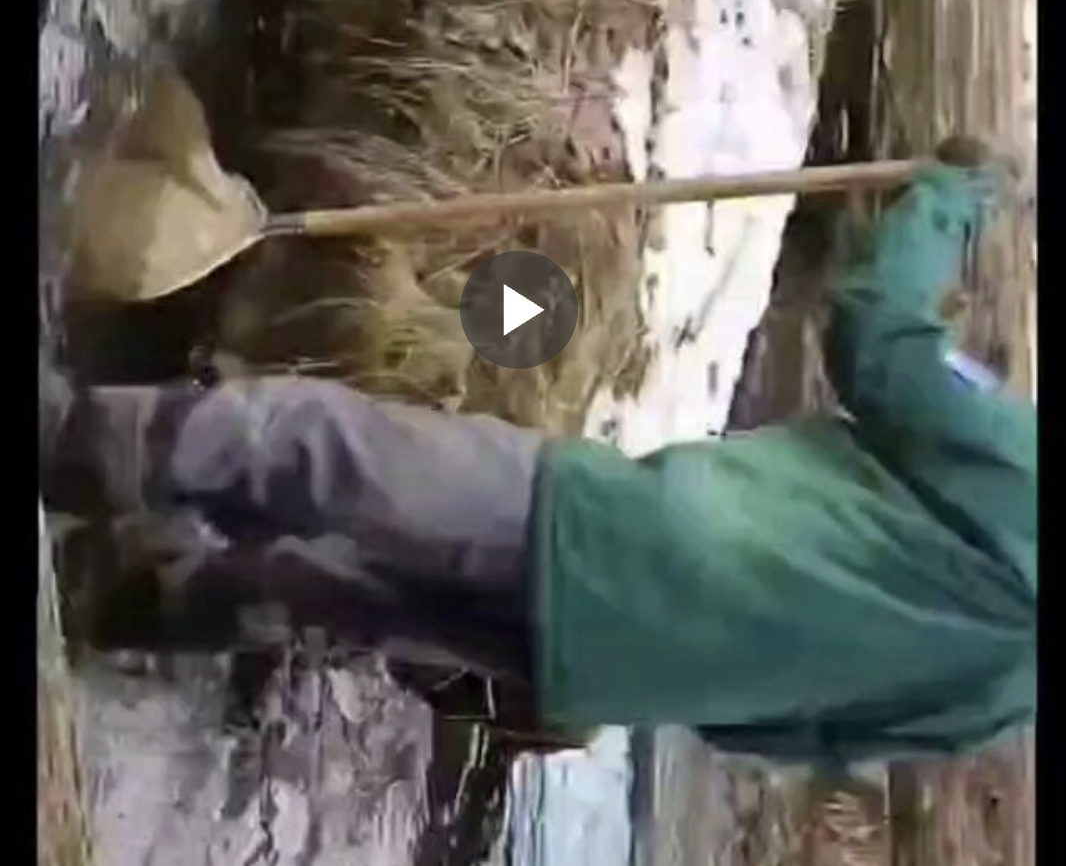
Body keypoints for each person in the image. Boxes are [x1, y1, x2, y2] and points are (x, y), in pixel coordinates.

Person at [39, 137, 1035, 767]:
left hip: (621, 538)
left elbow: (880, 341)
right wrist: (682, 665)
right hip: (617, 675)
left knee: (318, 446)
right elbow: (806, 738)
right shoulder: (1008, 701)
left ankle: (75, 445)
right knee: (344, 598)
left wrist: (948, 204)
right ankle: (131, 602)